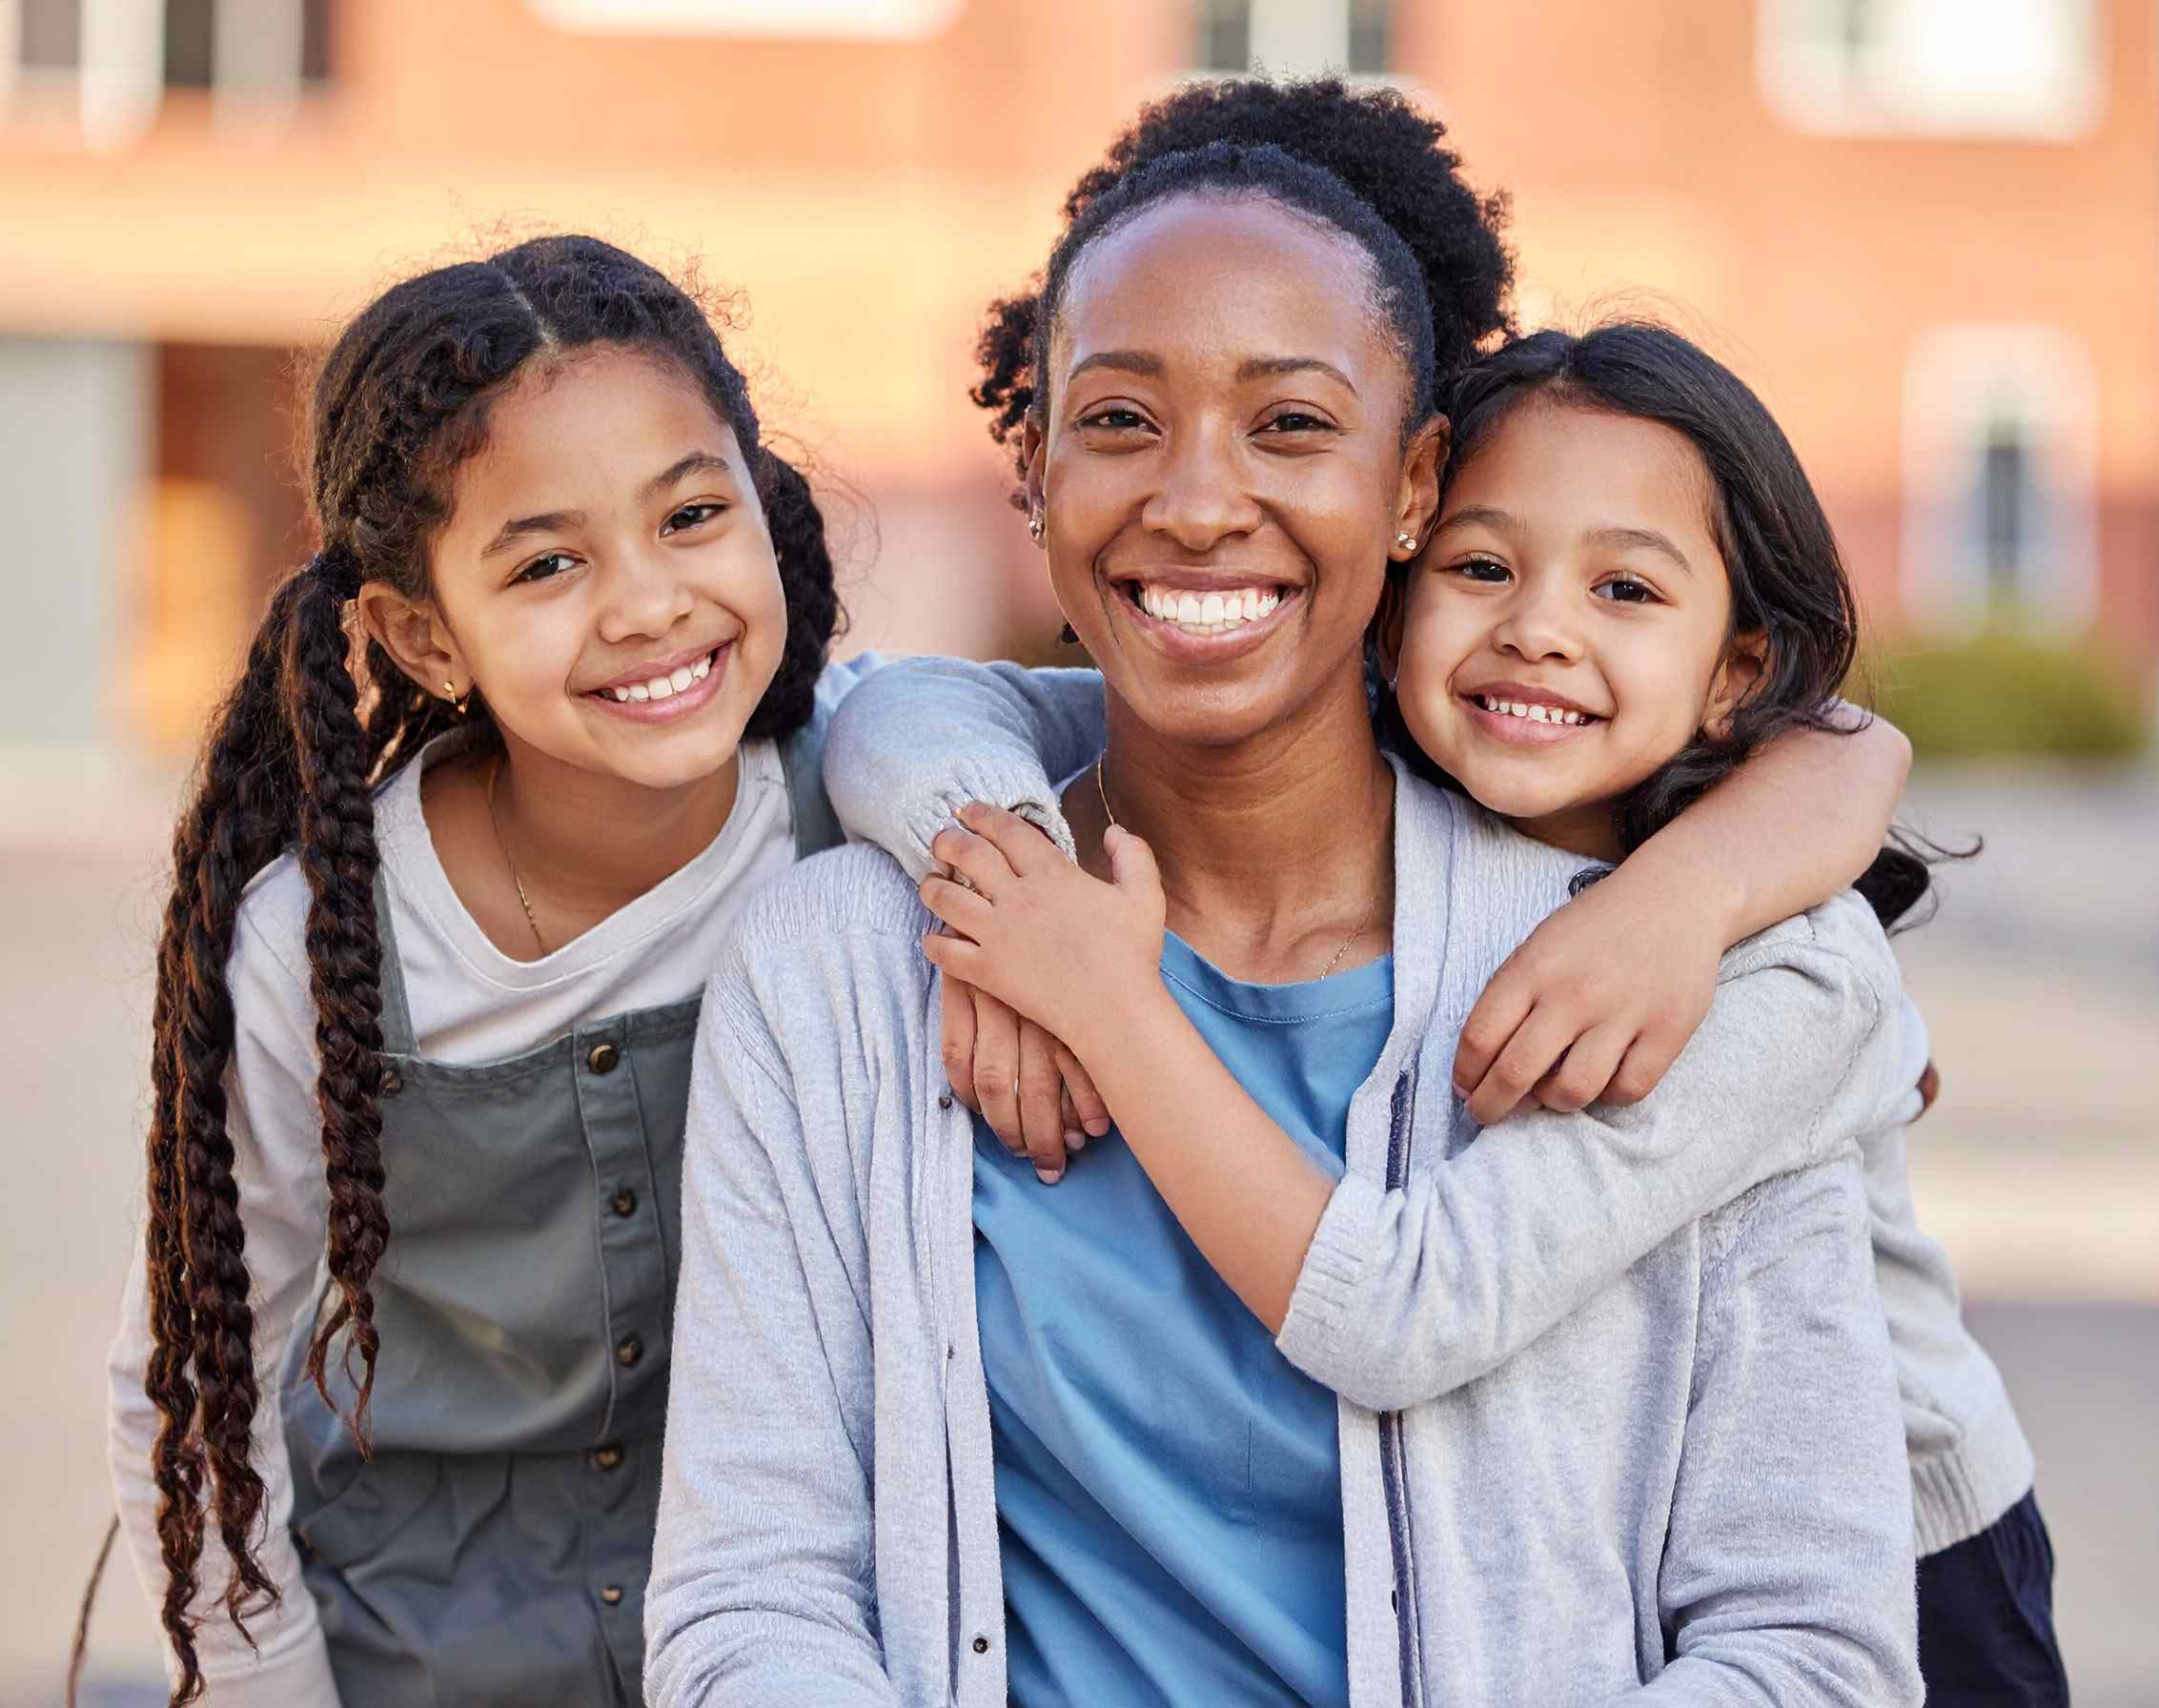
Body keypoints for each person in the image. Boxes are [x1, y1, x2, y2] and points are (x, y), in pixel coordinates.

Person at [648, 135, 1922, 1704]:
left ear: (1411, 487)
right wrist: (995, 868)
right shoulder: (837, 970)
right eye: (1118, 420)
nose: (1195, 502)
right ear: (1031, 476)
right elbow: (751, 1603)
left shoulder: (1682, 978)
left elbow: (1811, 1656)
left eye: (1291, 425)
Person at [914, 322, 2062, 1706]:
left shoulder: (1783, 978)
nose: (1539, 627)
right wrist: (1001, 861)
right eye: (1481, 567)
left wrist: (1103, 1001)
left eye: (1626, 587)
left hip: (1915, 1568)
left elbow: (1408, 1308)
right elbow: (902, 712)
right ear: (1397, 581)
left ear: (1738, 670)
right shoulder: (1410, 821)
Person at [99, 234, 1090, 1707]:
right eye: (549, 560)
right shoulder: (322, 947)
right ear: (423, 635)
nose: (645, 604)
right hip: (415, 1666)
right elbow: (192, 1389)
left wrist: (1581, 898)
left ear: (766, 510)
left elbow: (1241, 735)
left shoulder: (861, 793)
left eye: (692, 515)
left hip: (804, 1648)